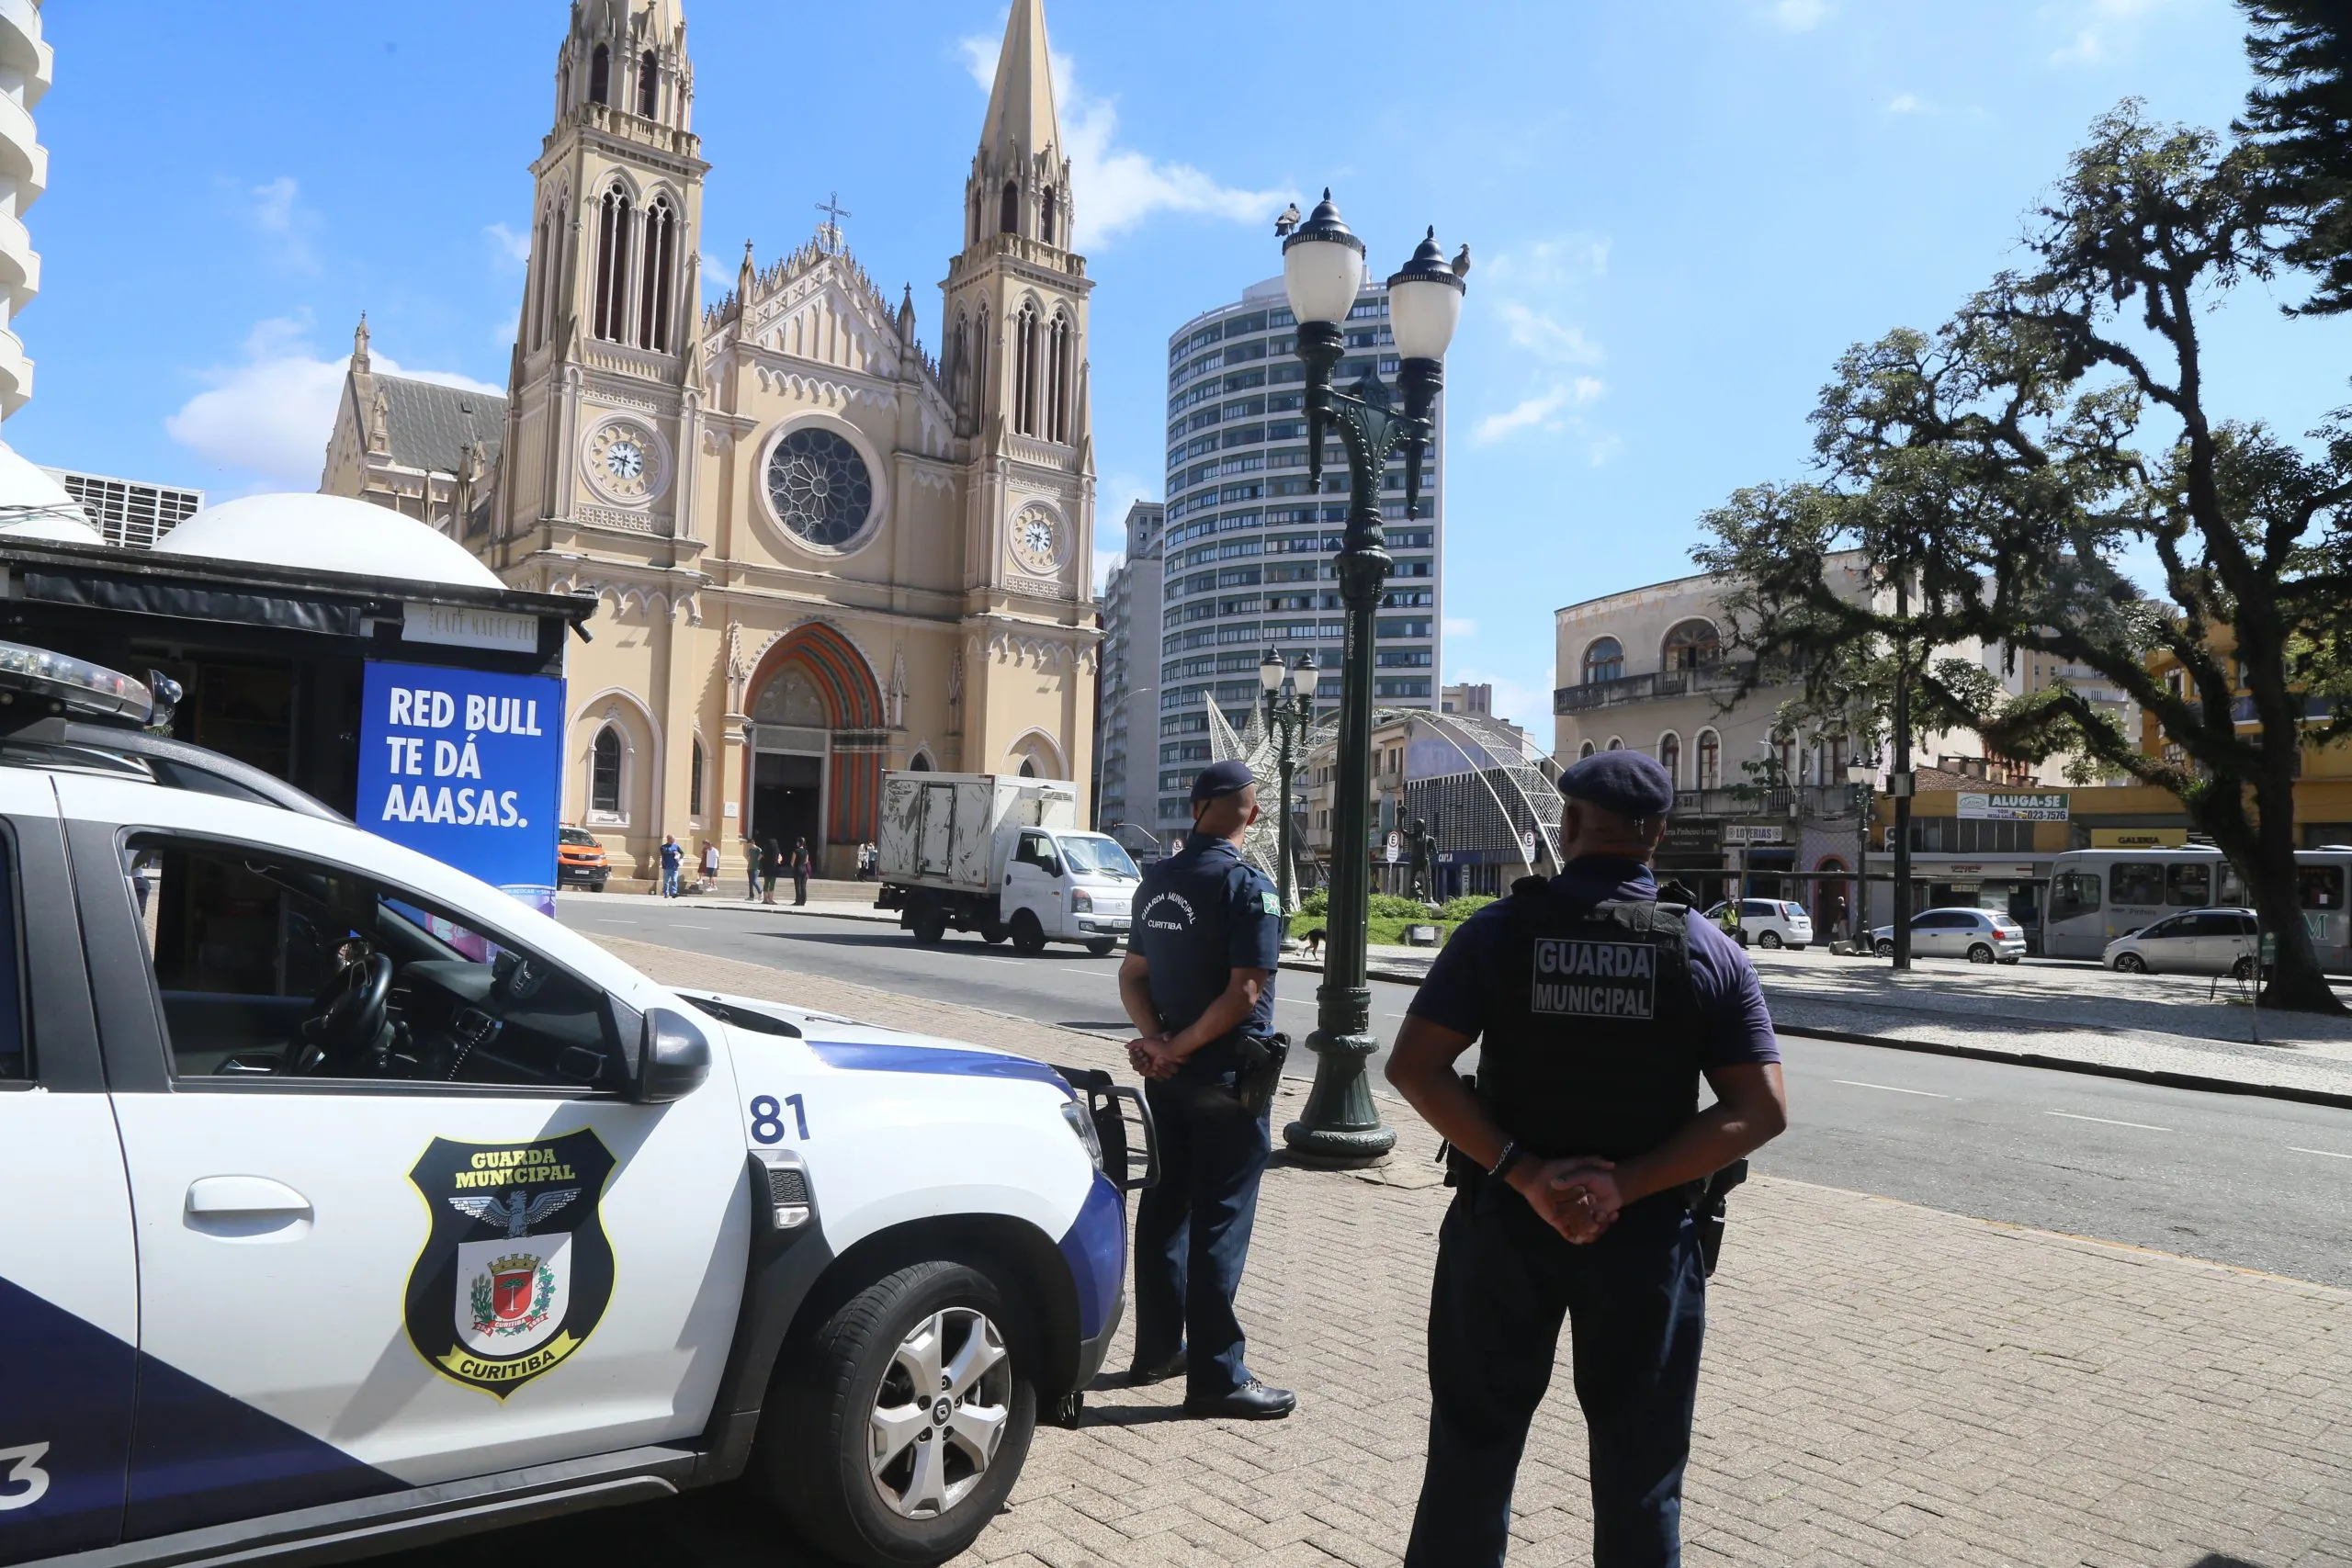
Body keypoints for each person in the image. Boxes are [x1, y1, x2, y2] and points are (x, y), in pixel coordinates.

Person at [1385, 750, 1789, 1568]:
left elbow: (1414, 1066)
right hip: (1645, 1240)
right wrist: (1624, 1185)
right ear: (1658, 834)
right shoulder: (1706, 949)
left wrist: (1528, 1174)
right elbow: (1762, 1108)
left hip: (1503, 1226)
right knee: (1642, 1471)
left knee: (1470, 1453)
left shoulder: (1497, 933)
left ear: (1568, 824)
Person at [1115, 759, 1295, 1421]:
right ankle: (1217, 1375)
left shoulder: (1157, 880)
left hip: (1170, 1080)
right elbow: (1245, 992)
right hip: (1227, 1077)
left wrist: (1158, 1041)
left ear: (1194, 809)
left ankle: (1158, 1351)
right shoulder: (1249, 887)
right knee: (1220, 1218)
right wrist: (1180, 1045)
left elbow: (1132, 975)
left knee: (1166, 1208)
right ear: (1254, 814)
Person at [658, 834, 683, 898]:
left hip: (674, 867)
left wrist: (680, 858)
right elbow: (664, 853)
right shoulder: (663, 847)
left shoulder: (676, 846)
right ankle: (666, 893)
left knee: (674, 880)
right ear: (668, 839)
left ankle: (674, 893)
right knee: (666, 881)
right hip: (666, 867)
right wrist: (673, 853)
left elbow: (682, 853)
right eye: (672, 840)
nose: (673, 841)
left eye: (674, 840)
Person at [790, 837, 813, 906]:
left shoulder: (796, 851)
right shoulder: (806, 851)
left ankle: (798, 901)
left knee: (798, 885)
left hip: (797, 869)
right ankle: (803, 900)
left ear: (799, 843)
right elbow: (806, 861)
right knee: (803, 885)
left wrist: (794, 866)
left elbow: (792, 862)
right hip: (804, 870)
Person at [760, 836, 783, 905]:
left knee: (766, 883)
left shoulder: (765, 849)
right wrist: (778, 861)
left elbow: (760, 857)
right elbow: (780, 857)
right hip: (774, 868)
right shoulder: (776, 849)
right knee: (772, 884)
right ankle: (770, 899)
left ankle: (765, 899)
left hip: (766, 868)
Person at [742, 835, 762, 900]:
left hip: (756, 868)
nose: (749, 846)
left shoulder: (758, 849)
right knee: (750, 883)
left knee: (754, 881)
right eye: (748, 845)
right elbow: (748, 858)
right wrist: (748, 866)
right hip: (750, 868)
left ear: (753, 843)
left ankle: (760, 891)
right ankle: (751, 896)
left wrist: (758, 860)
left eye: (750, 844)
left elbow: (761, 856)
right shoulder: (750, 850)